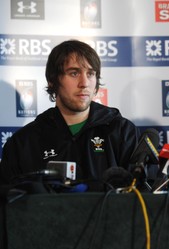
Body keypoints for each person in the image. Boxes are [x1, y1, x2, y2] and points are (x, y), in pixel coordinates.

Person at [0, 40, 140, 190]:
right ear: (52, 81)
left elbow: (144, 196)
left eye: (90, 73)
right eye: (74, 73)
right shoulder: (24, 141)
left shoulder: (122, 131)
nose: (84, 83)